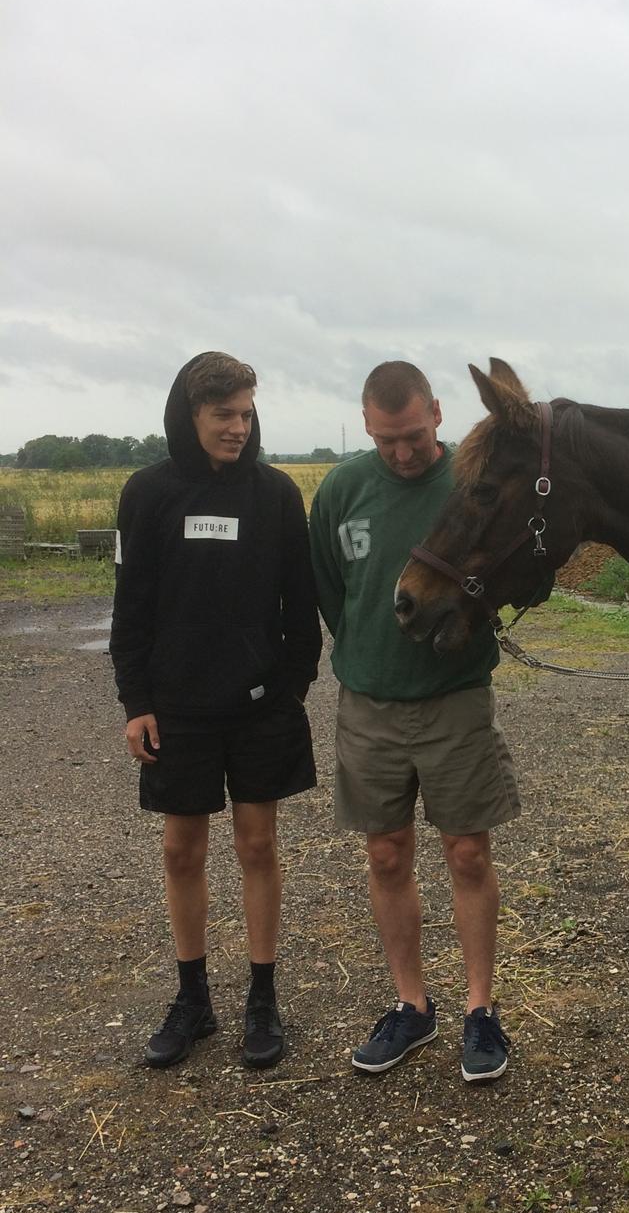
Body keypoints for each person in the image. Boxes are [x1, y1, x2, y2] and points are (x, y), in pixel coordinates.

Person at [309, 361, 520, 1084]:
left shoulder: (468, 482)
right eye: (387, 439)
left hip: (454, 698)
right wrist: (367, 649)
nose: (402, 452)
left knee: (467, 853)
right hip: (368, 702)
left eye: (413, 435)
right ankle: (411, 1006)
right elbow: (331, 590)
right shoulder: (342, 489)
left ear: (435, 412)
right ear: (367, 426)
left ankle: (481, 1011)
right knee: (387, 855)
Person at [110, 352, 321, 1070]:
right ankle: (192, 997)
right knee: (181, 850)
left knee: (258, 845)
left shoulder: (277, 495)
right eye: (222, 414)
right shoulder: (148, 493)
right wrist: (136, 701)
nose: (237, 427)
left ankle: (262, 996)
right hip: (179, 710)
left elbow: (303, 602)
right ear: (189, 415)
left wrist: (292, 685)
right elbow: (131, 607)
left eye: (245, 413)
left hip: (261, 706)